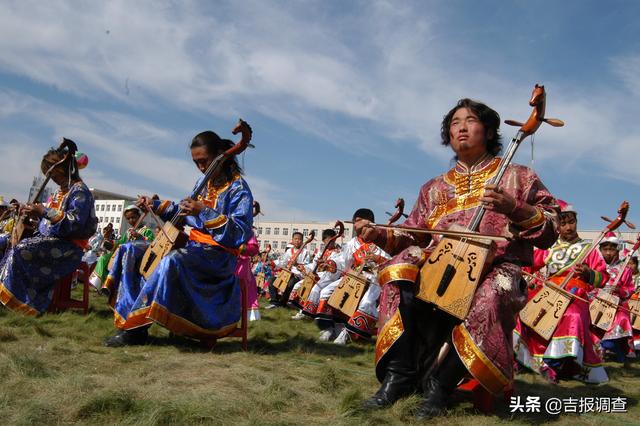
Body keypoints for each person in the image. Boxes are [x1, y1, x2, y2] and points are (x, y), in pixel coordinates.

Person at [359, 98, 558, 419]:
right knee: (400, 265)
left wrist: (515, 208)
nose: (461, 127)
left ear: (490, 129)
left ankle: (439, 387)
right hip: (441, 268)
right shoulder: (433, 188)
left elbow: (551, 229)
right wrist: (377, 235)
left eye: (470, 120)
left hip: (497, 268)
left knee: (493, 292)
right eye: (454, 123)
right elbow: (413, 234)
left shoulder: (520, 177)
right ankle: (400, 377)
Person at [103, 129, 253, 347]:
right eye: (196, 163)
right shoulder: (201, 184)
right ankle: (127, 320)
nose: (201, 167)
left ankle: (136, 330)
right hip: (194, 249)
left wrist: (204, 211)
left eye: (204, 161)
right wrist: (155, 204)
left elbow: (239, 233)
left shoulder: (239, 189)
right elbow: (181, 211)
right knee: (130, 250)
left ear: (220, 155)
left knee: (172, 260)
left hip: (219, 257)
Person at [513, 201, 609, 384]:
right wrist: (529, 280)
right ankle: (523, 359)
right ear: (557, 226)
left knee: (572, 316)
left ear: (577, 222)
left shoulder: (589, 249)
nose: (568, 227)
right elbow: (528, 265)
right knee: (523, 309)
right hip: (549, 291)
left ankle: (553, 364)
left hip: (576, 294)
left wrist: (588, 274)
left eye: (571, 222)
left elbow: (603, 278)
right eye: (563, 223)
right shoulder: (549, 247)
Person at [0, 143, 97, 314]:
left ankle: (23, 303)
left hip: (68, 248)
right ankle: (6, 295)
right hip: (52, 242)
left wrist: (43, 211)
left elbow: (73, 224)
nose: (51, 178)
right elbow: (48, 224)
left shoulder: (80, 191)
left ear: (62, 169)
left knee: (21, 249)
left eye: (51, 173)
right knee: (6, 242)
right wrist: (32, 216)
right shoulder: (59, 193)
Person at [89, 206, 154, 290]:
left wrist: (139, 236)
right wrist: (109, 241)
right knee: (103, 257)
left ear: (139, 216)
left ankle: (112, 285)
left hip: (137, 257)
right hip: (123, 254)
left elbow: (151, 243)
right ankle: (101, 284)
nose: (131, 220)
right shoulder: (128, 231)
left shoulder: (146, 231)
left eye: (133, 217)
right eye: (128, 218)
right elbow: (120, 243)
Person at [595, 233, 635, 363]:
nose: (608, 253)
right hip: (596, 301)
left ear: (617, 250)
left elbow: (630, 289)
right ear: (600, 250)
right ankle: (598, 347)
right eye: (605, 249)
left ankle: (614, 347)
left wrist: (620, 290)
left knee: (621, 317)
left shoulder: (625, 269)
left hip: (617, 303)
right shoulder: (597, 266)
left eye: (611, 249)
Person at [290, 228, 342, 320]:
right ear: (323, 241)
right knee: (298, 285)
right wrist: (302, 266)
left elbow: (337, 267)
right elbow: (313, 265)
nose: (329, 243)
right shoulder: (321, 252)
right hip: (318, 275)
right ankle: (302, 310)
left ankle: (309, 313)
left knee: (314, 289)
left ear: (334, 240)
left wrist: (327, 263)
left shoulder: (338, 252)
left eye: (332, 241)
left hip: (329, 277)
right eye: (327, 241)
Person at [266, 232, 309, 309]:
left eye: (299, 239)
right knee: (271, 280)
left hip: (298, 275)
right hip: (287, 273)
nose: (297, 241)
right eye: (295, 239)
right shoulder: (289, 251)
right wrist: (272, 263)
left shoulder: (306, 252)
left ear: (302, 241)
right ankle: (274, 301)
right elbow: (282, 262)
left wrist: (297, 264)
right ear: (292, 240)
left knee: (290, 283)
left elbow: (308, 265)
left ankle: (282, 303)